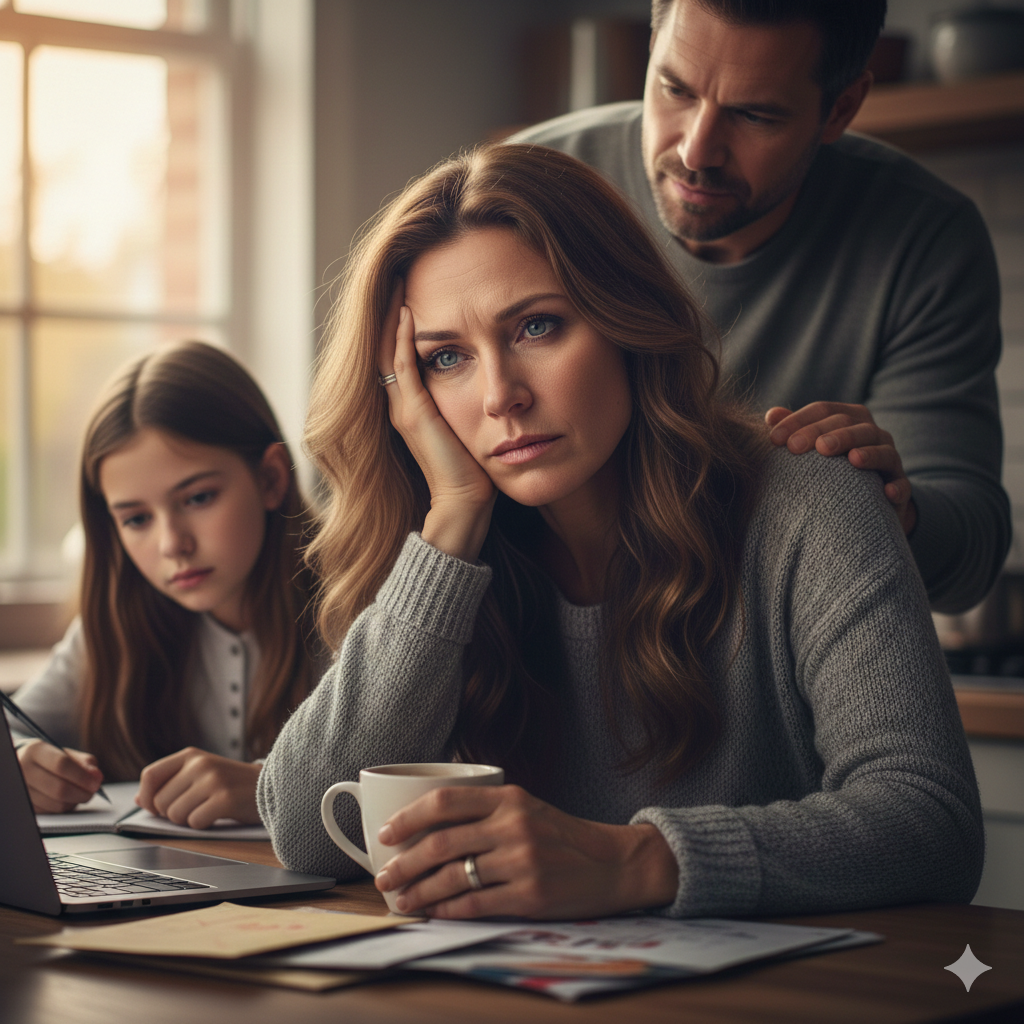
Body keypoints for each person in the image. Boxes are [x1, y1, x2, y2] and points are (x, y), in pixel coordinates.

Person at [257, 144, 982, 920]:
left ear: (626, 320)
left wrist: (637, 862)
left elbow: (930, 823)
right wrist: (453, 521)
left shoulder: (813, 508)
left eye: (537, 326)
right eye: (446, 359)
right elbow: (307, 833)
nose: (501, 395)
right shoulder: (436, 545)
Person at [510, 0, 1009, 615]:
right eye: (675, 89)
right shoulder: (531, 189)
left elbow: (972, 557)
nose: (697, 150)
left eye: (755, 115)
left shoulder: (926, 238)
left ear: (842, 107)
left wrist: (899, 510)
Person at [8, 341, 321, 829]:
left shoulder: (364, 606)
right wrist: (21, 762)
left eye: (198, 497)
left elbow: (433, 771)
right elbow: (14, 729)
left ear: (271, 479)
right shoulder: (115, 625)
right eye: (136, 519)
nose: (172, 544)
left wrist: (269, 786)